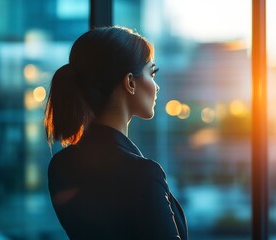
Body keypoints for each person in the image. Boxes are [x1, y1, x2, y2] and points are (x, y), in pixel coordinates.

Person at [44, 26, 188, 240]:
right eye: (152, 73)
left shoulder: (61, 165)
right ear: (130, 82)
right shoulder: (143, 174)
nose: (156, 87)